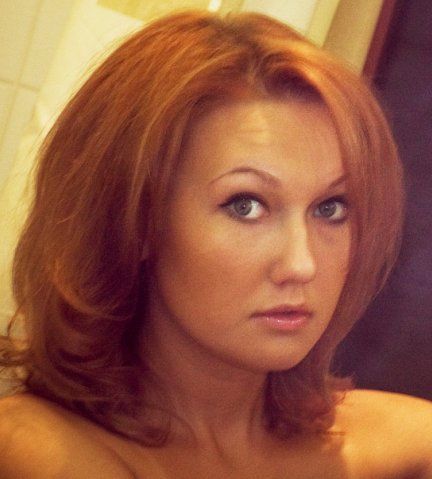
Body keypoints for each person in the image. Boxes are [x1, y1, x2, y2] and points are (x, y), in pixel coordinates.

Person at [0, 9, 431, 479]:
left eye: (330, 208)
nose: (302, 264)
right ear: (134, 220)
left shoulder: (395, 441)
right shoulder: (35, 447)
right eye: (246, 205)